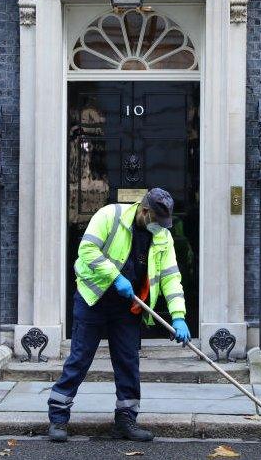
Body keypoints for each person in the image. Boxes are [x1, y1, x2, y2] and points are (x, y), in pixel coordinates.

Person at [47, 187, 191, 442]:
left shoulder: (163, 237)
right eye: (158, 222)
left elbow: (170, 276)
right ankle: (58, 418)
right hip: (94, 299)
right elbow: (87, 251)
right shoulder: (109, 216)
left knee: (127, 362)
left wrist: (178, 315)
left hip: (128, 306)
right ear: (145, 211)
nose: (161, 227)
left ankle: (126, 420)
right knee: (80, 358)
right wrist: (115, 277)